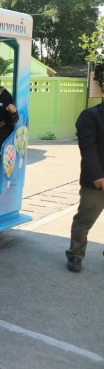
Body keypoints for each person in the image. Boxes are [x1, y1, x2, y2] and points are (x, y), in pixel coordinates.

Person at [66, 101, 104, 272]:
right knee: (85, 218)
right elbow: (88, 148)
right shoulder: (90, 116)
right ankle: (75, 253)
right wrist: (97, 175)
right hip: (97, 179)